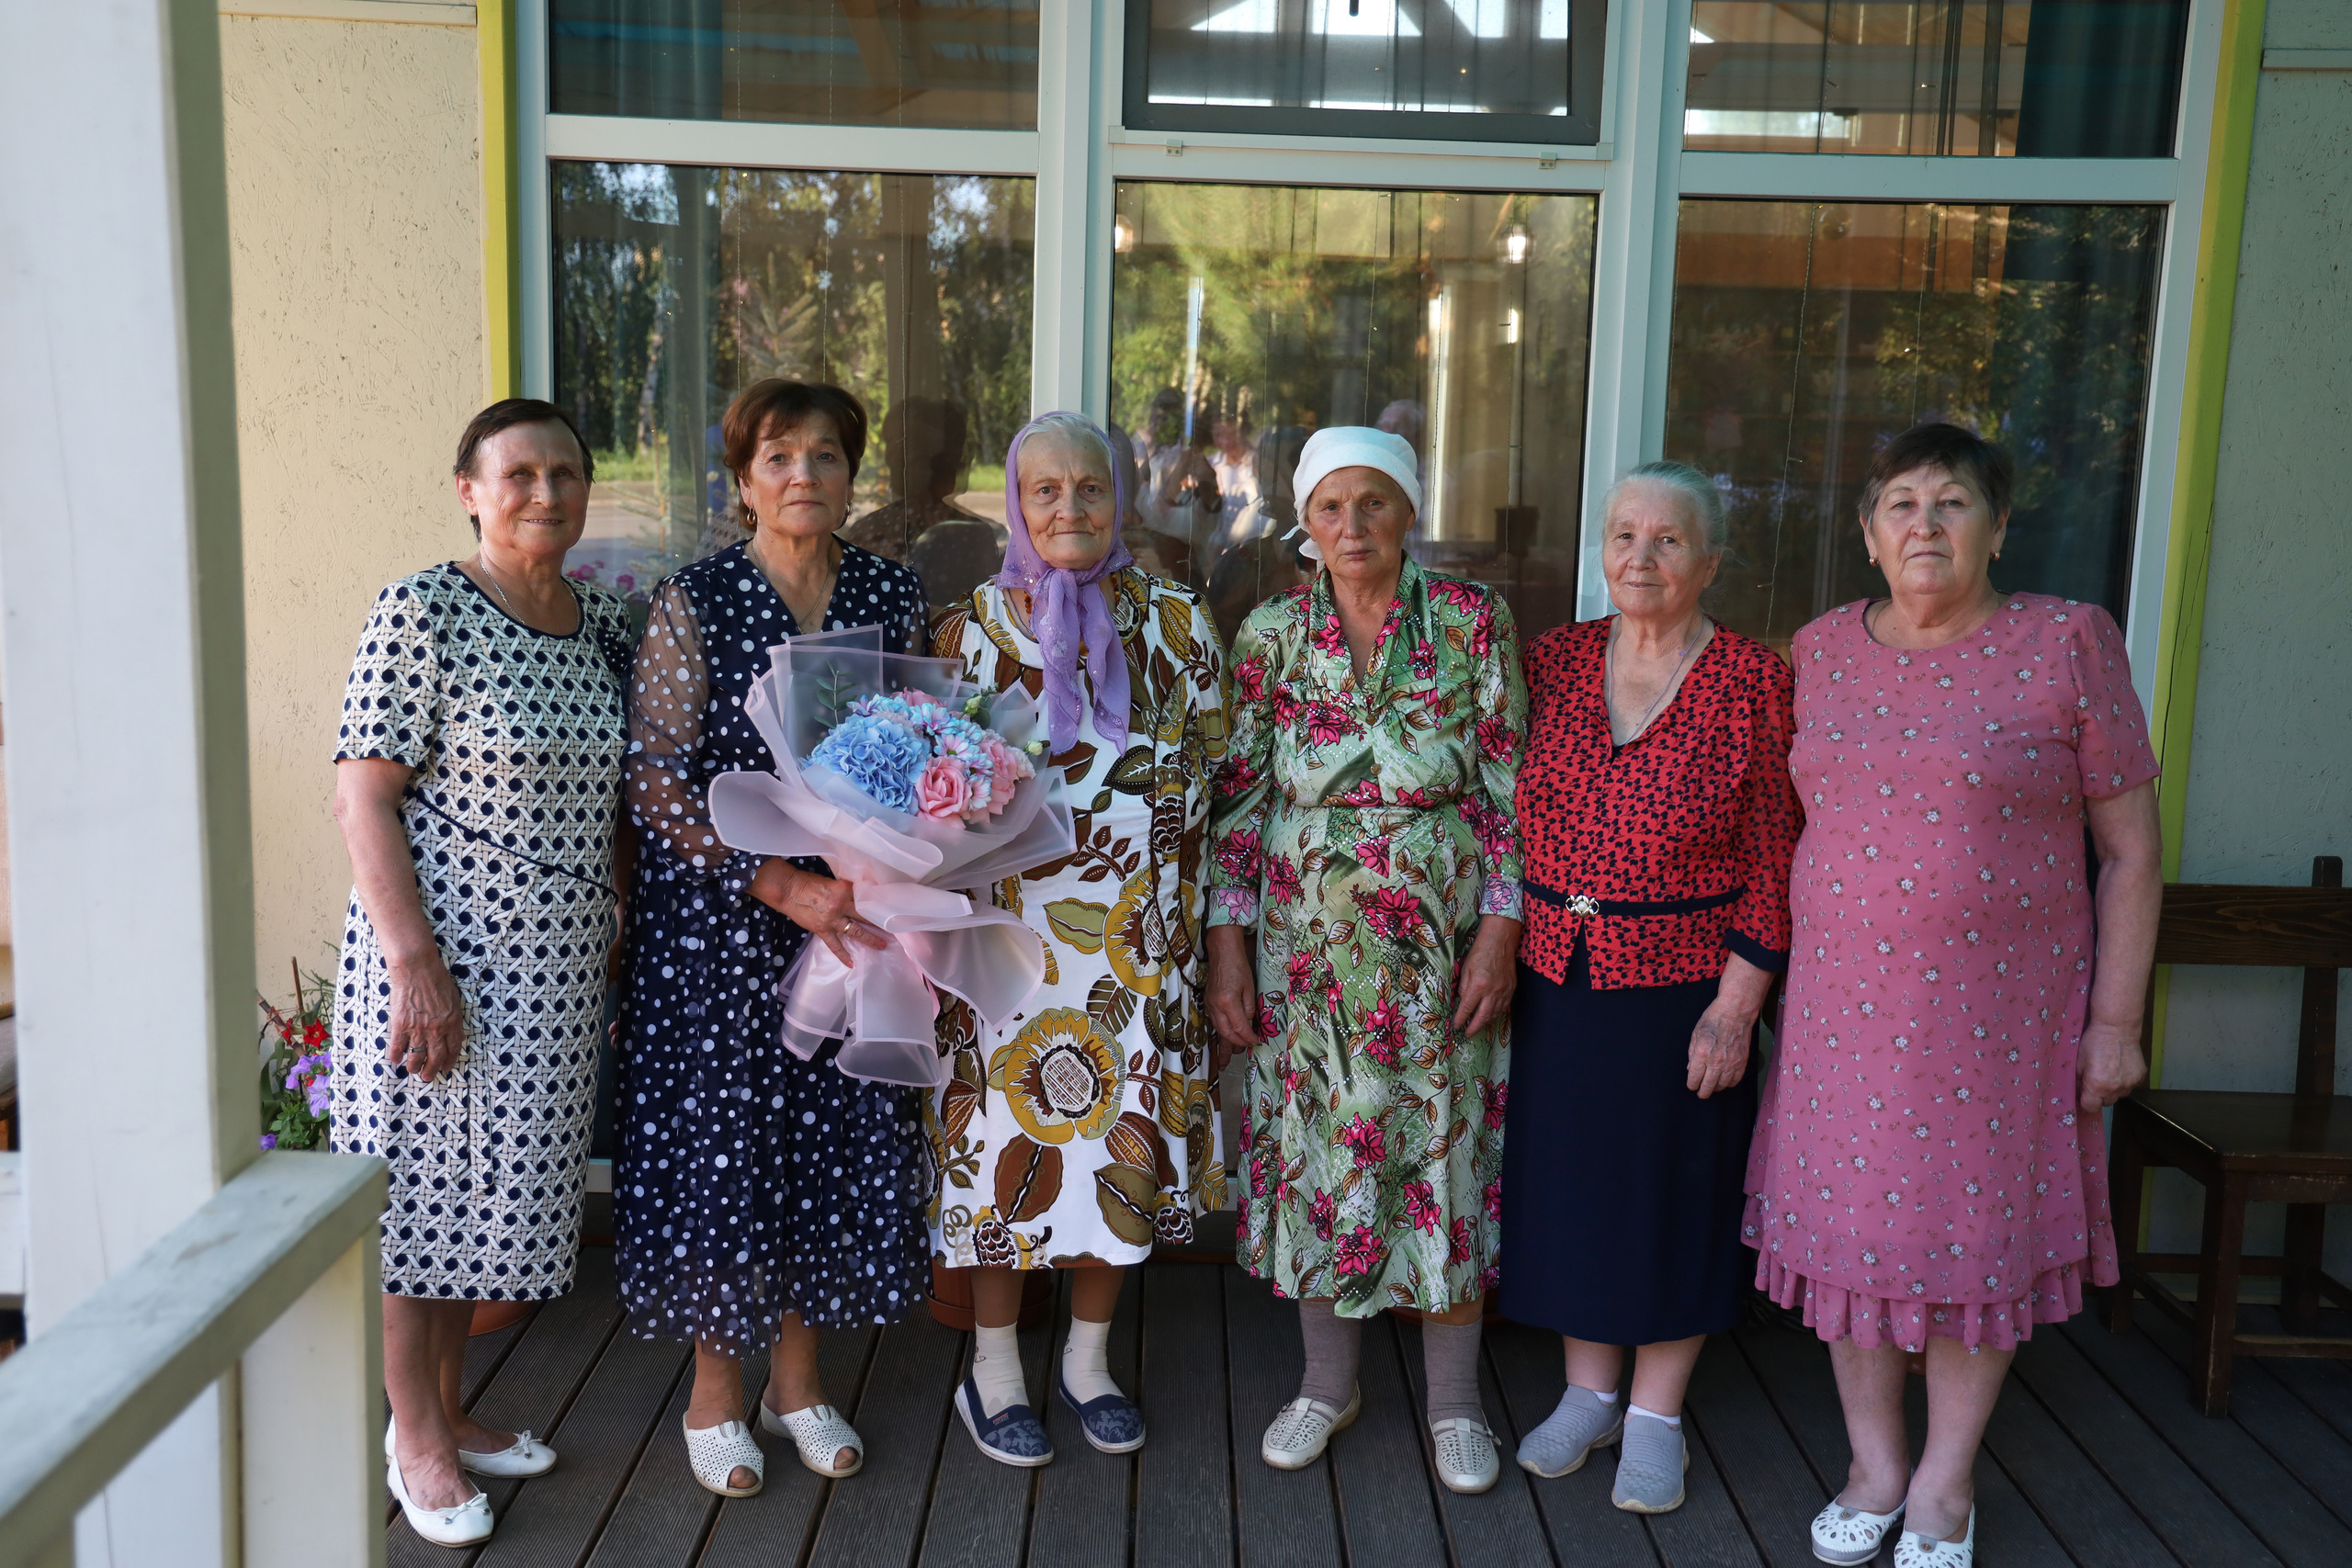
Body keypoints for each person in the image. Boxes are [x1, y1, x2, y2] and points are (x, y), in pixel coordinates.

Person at [1746, 423, 2161, 1568]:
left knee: (1975, 1242)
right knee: (1848, 1244)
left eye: (1952, 503)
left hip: (1999, 1026)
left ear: (1997, 526)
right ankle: (1874, 1464)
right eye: (1900, 506)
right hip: (1839, 1018)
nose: (1924, 525)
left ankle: (1944, 1481)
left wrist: (2116, 1023)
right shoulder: (1820, 649)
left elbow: (2129, 852)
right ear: (1868, 535)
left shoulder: (2067, 641)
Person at [617, 378, 932, 1500]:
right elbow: (654, 781)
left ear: (854, 475)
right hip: (725, 930)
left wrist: (887, 863)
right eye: (779, 456)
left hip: (850, 917)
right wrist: (772, 881)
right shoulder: (695, 598)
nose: (805, 475)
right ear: (742, 479)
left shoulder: (892, 593)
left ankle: (801, 1381)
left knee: (832, 1139)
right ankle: (716, 1390)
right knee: (728, 1151)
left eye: (828, 456)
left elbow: (918, 754)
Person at [331, 399, 634, 1547]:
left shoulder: (600, 621)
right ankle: (410, 1438)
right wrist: (413, 960)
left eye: (565, 474)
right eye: (518, 474)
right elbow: (364, 796)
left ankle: (449, 1413)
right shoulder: (423, 609)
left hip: (553, 970)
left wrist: (617, 916)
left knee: (490, 1205)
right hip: (441, 961)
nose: (545, 494)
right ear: (469, 487)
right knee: (419, 1206)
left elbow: (618, 791)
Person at [1204, 427, 1526, 1495]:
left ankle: (1453, 1405)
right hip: (1308, 953)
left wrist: (1500, 932)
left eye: (1375, 504)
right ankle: (1324, 1384)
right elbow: (1240, 809)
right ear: (1305, 518)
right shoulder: (1269, 634)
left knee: (1444, 1159)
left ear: (1408, 514)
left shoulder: (1473, 622)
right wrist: (1228, 951)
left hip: (1442, 953)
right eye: (1332, 507)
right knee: (1318, 1157)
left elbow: (1508, 794)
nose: (1353, 527)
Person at [927, 412, 1229, 1467]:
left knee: (1119, 1148)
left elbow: (1217, 778)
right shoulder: (964, 630)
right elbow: (927, 800)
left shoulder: (1179, 620)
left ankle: (1088, 1361)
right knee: (998, 1154)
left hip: (1138, 945)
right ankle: (995, 1371)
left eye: (1089, 488)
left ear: (1120, 499)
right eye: (1045, 490)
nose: (1069, 508)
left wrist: (1196, 935)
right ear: (1014, 500)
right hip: (1003, 948)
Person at [1498, 462, 1800, 1513]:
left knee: (1676, 1190)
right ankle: (1588, 1394)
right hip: (1556, 973)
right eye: (1624, 534)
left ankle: (1656, 1413)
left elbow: (1775, 855)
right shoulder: (1555, 659)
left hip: (1686, 986)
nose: (1640, 556)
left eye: (1668, 540)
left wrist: (1737, 1004)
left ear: (1709, 561)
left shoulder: (1756, 680)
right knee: (1576, 1188)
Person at [839, 394, 989, 568]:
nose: (892, 457)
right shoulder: (978, 533)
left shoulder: (869, 531)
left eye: (904, 446)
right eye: (892, 445)